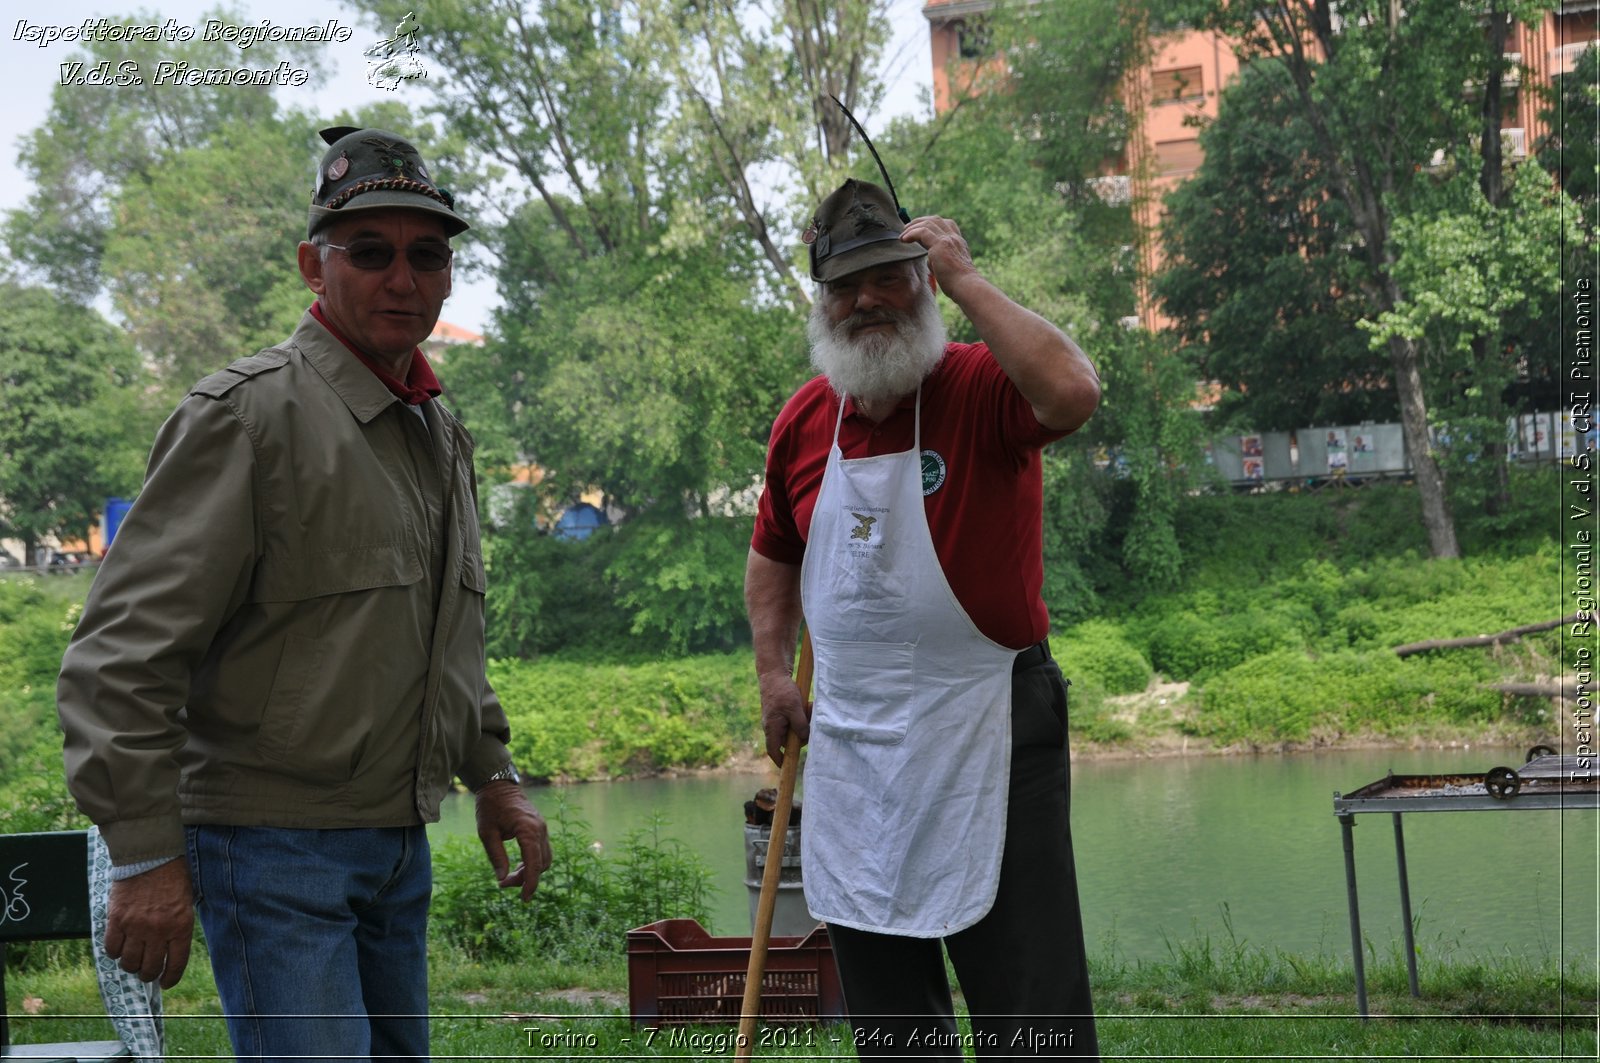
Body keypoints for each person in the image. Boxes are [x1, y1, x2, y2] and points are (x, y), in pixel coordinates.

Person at [56, 126, 551, 1062]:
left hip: (396, 841)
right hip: (270, 848)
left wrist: (494, 775)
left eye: (427, 254)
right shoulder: (246, 417)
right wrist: (146, 854)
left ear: (449, 275)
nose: (402, 277)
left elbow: (445, 634)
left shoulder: (439, 429)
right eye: (370, 252)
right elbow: (119, 658)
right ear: (312, 266)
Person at [745, 178, 1102, 1060]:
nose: (867, 299)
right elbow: (772, 555)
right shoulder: (803, 423)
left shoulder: (980, 384)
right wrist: (770, 673)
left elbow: (1073, 391)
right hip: (855, 742)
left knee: (1030, 1003)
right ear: (822, 302)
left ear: (923, 282)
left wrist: (970, 278)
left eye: (889, 276)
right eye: (844, 286)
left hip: (990, 723)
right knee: (891, 1009)